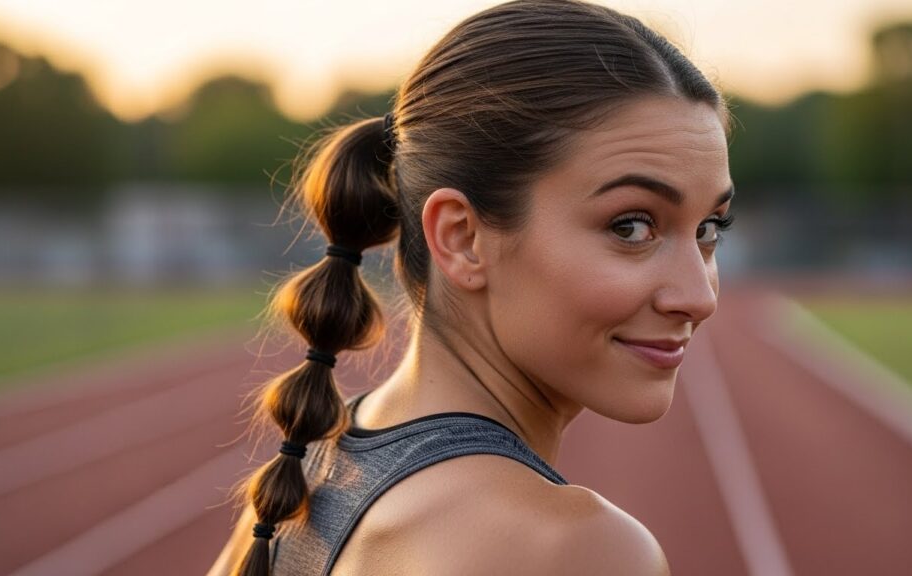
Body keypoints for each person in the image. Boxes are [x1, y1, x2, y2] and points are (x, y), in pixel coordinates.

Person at [207, 0, 735, 574]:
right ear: (461, 238)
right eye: (631, 226)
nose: (698, 296)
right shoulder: (575, 549)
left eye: (710, 229)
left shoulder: (310, 468)